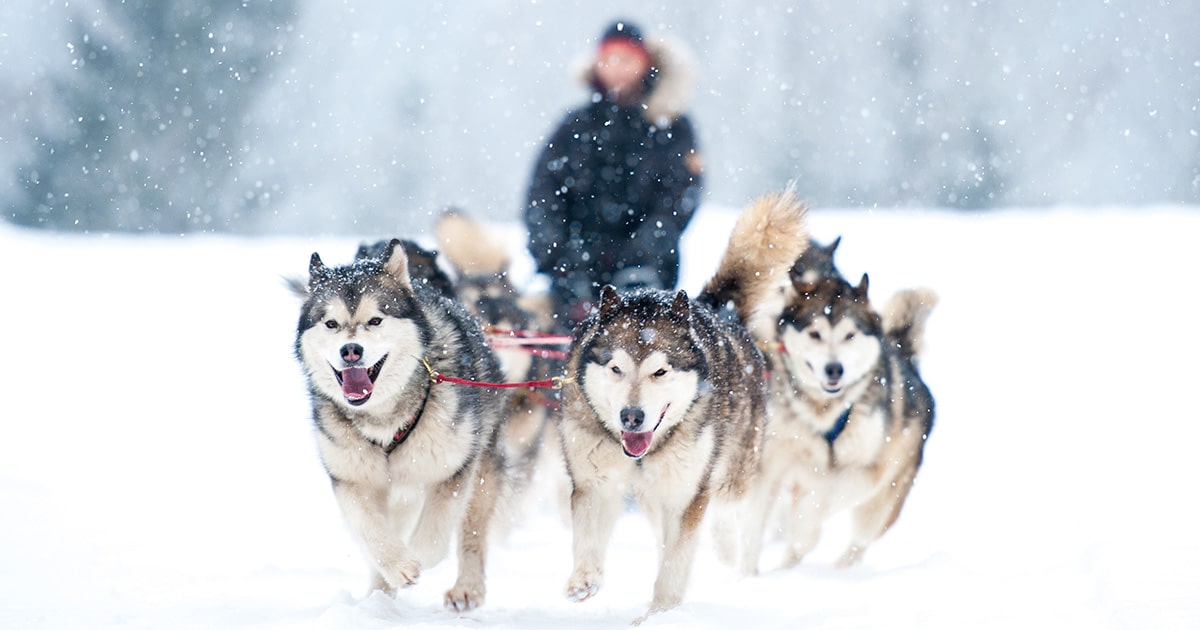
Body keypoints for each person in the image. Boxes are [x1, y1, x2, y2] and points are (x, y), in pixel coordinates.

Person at [524, 19, 704, 329]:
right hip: (575, 274)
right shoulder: (574, 126)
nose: (618, 67)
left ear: (645, 64)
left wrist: (647, 248)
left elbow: (680, 196)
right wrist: (560, 256)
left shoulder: (672, 125)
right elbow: (544, 194)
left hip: (648, 273)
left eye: (627, 58)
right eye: (610, 58)